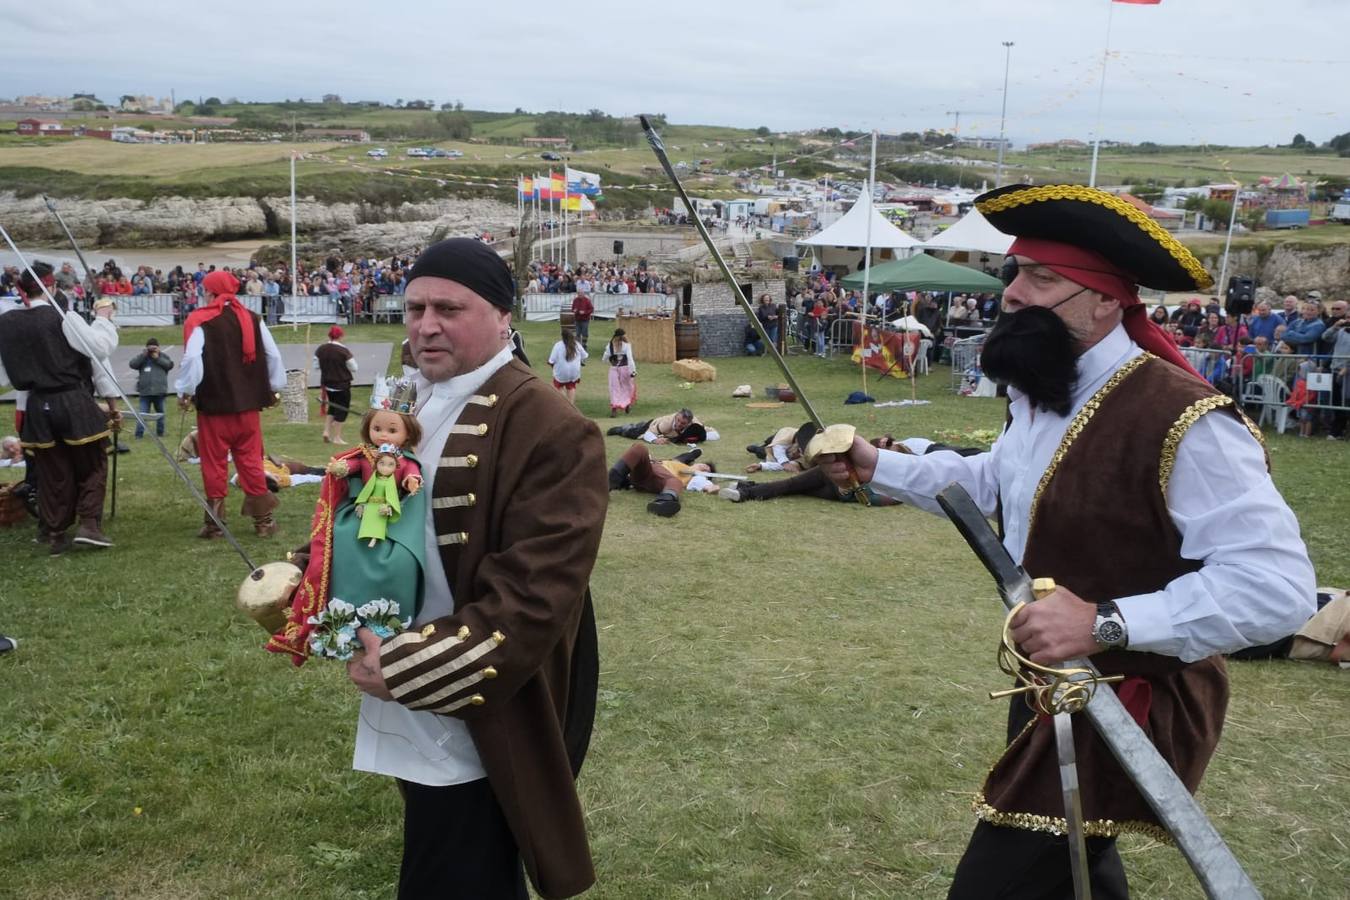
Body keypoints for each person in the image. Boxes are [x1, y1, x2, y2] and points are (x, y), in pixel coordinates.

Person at [818, 184, 1316, 899]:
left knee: (1000, 883)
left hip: (1139, 694)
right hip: (1057, 685)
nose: (1013, 293)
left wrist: (1106, 620)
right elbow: (996, 482)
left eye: (1043, 278)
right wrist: (879, 464)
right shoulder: (1048, 387)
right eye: (1016, 273)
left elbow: (1278, 587)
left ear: (1107, 300)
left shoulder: (1185, 419)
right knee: (1075, 874)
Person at [338, 237, 606, 899]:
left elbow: (534, 601)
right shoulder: (412, 399)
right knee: (447, 860)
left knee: (457, 872)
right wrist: (309, 574)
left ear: (502, 315)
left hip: (479, 701)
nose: (426, 324)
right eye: (415, 308)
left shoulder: (551, 425)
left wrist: (404, 668)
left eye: (448, 308)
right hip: (411, 682)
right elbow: (376, 516)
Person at [0, 262, 118, 555]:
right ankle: (89, 523)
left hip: (37, 404)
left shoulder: (6, 322)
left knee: (54, 473)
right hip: (71, 400)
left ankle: (55, 533)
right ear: (51, 286)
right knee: (93, 465)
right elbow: (99, 350)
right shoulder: (64, 317)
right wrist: (103, 319)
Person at [175, 270, 287, 538]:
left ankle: (214, 525)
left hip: (215, 407)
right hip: (247, 407)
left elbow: (192, 359)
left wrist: (185, 390)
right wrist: (273, 387)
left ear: (211, 292)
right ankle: (263, 522)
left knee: (213, 462)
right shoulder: (251, 318)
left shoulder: (201, 320)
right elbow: (273, 355)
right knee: (249, 460)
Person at [607, 442, 719, 516]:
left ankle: (663, 502)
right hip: (646, 470)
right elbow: (687, 456)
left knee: (675, 481)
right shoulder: (678, 463)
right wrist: (696, 452)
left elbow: (707, 486)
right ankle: (605, 485)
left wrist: (713, 487)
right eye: (704, 465)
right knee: (639, 448)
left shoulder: (694, 476)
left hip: (659, 480)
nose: (704, 468)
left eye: (707, 471)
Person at [315, 325, 358, 445]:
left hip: (328, 384)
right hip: (342, 384)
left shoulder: (321, 349)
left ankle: (326, 431)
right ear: (341, 336)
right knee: (342, 409)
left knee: (332, 407)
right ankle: (337, 437)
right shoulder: (343, 350)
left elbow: (316, 365)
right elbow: (354, 367)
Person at [128, 337, 174, 439]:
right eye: (150, 348)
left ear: (158, 348)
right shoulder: (143, 358)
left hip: (159, 391)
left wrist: (157, 357)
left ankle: (160, 433)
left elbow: (169, 365)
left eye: (154, 347)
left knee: (160, 414)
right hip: (145, 392)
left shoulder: (163, 356)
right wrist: (143, 355)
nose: (152, 350)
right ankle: (139, 435)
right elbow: (132, 364)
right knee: (142, 414)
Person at [547, 328, 586, 406]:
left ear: (562, 336)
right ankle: (571, 405)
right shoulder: (577, 344)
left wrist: (552, 366)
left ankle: (565, 404)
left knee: (558, 385)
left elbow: (551, 360)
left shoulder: (558, 345)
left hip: (561, 372)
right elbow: (584, 356)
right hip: (574, 372)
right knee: (571, 386)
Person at [605, 328, 637, 416]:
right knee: (626, 387)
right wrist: (633, 370)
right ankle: (627, 404)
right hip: (625, 368)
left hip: (614, 368)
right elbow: (630, 359)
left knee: (614, 388)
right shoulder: (626, 345)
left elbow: (604, 359)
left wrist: (611, 359)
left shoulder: (610, 346)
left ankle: (614, 408)